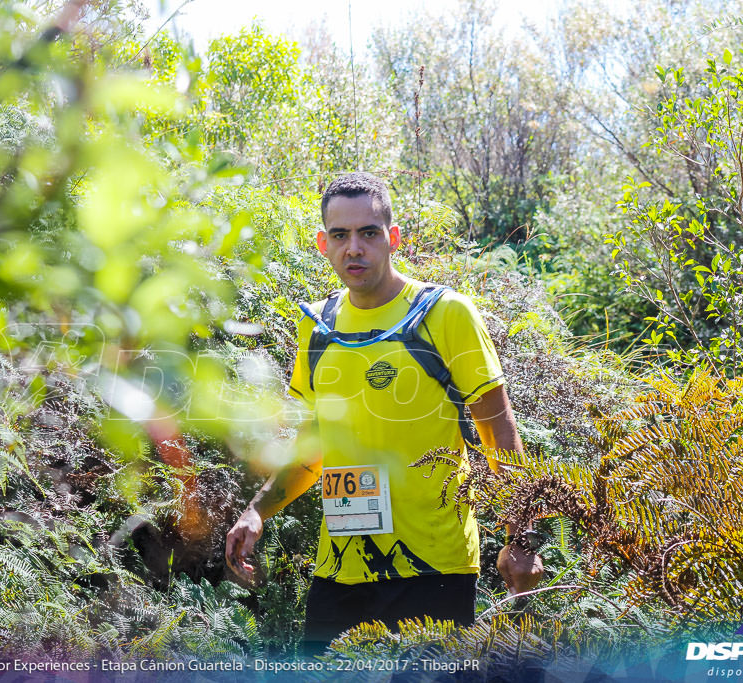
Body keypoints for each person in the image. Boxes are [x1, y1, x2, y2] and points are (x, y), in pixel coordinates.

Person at [225, 172, 542, 651]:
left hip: (434, 565)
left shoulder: (444, 314)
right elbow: (314, 450)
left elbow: (498, 433)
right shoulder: (317, 327)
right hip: (340, 569)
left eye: (369, 233)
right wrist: (257, 511)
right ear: (322, 243)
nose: (354, 248)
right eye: (340, 235)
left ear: (393, 239)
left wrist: (522, 539)